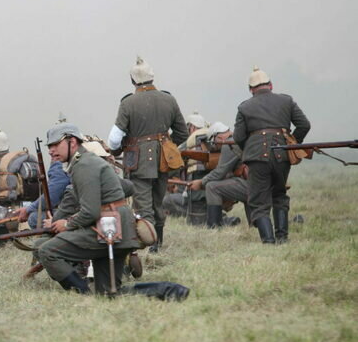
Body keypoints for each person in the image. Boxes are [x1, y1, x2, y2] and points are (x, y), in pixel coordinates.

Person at [36, 124, 139, 294]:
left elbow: (90, 212)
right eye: (49, 146)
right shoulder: (85, 162)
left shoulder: (83, 165)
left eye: (55, 145)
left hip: (110, 228)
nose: (51, 150)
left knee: (47, 251)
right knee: (108, 293)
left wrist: (67, 224)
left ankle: (82, 293)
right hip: (115, 226)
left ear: (73, 142)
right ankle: (168, 290)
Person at [108, 56, 189, 252]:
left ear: (132, 80)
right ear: (152, 77)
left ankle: (151, 248)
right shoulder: (169, 99)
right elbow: (182, 133)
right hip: (163, 161)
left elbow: (114, 139)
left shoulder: (128, 103)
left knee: (143, 206)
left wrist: (118, 149)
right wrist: (166, 147)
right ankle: (157, 245)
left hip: (137, 162)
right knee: (158, 203)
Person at [234, 67, 311, 243]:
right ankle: (282, 238)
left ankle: (268, 242)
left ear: (251, 89)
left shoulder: (244, 106)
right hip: (282, 153)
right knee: (279, 193)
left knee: (259, 201)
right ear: (271, 85)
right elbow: (304, 125)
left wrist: (251, 149)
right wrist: (291, 143)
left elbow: (238, 137)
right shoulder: (286, 100)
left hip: (256, 158)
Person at [189, 122, 248, 228]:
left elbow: (219, 173)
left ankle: (213, 226)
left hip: (250, 185)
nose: (215, 146)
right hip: (259, 182)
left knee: (212, 187)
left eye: (214, 142)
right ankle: (253, 225)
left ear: (218, 136)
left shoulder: (229, 144)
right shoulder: (239, 139)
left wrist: (201, 182)